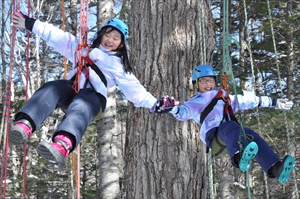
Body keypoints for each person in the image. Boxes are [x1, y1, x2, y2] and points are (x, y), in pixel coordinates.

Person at [10, 10, 159, 170]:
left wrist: (155, 103)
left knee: (81, 105)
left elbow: (135, 90)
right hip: (72, 89)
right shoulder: (82, 48)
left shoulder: (117, 66)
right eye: (108, 35)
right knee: (52, 87)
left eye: (116, 38)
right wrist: (30, 24)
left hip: (93, 97)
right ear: (101, 34)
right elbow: (59, 37)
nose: (110, 40)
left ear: (121, 44)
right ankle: (25, 124)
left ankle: (62, 144)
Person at [155, 64, 295, 185]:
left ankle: (275, 167)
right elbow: (184, 112)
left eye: (210, 80)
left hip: (232, 134)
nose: (207, 84)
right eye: (203, 81)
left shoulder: (225, 97)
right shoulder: (196, 102)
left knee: (251, 135)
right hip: (214, 136)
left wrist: (274, 102)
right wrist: (172, 108)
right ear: (196, 85)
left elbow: (247, 101)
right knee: (228, 127)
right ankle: (238, 157)